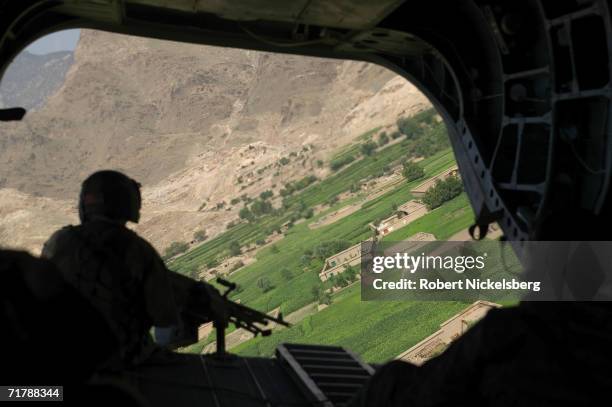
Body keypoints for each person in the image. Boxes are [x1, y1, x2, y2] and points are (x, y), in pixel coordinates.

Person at [41, 170, 182, 369]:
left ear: (84, 206)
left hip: (60, 357)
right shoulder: (139, 250)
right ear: (129, 206)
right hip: (121, 360)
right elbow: (164, 317)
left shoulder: (58, 241)